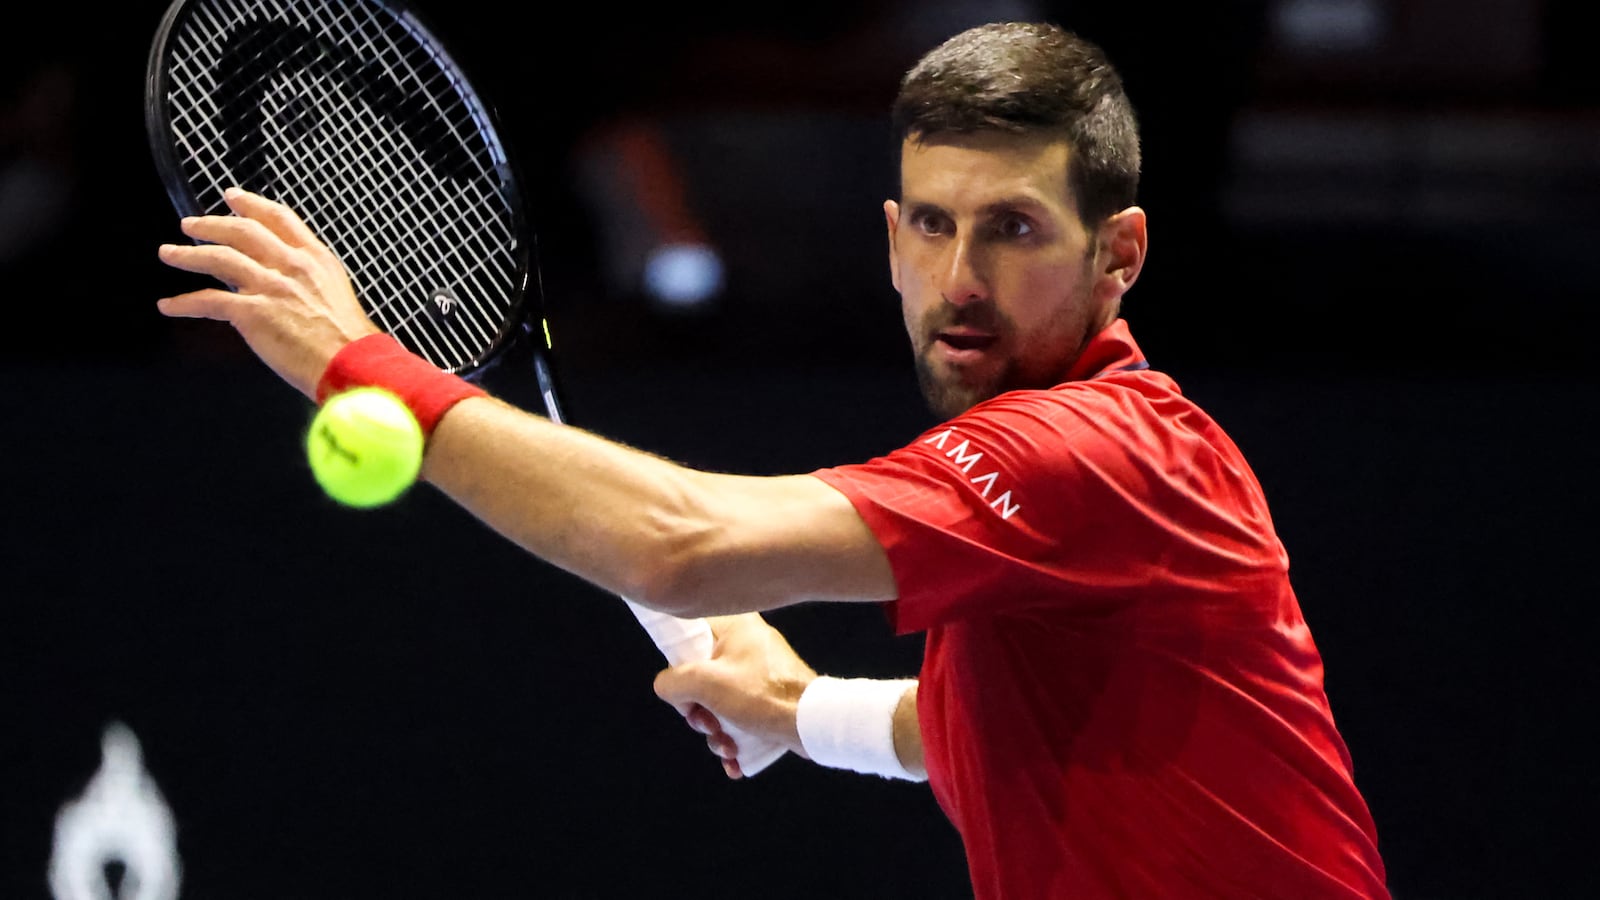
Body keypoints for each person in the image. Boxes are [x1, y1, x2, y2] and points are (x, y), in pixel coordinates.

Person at [154, 20, 1389, 899]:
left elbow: (677, 546)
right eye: (936, 227)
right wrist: (801, 711)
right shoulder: (1072, 494)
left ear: (1119, 255)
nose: (960, 281)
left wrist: (352, 363)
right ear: (893, 241)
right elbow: (1006, 730)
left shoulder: (1093, 451)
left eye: (1014, 230)